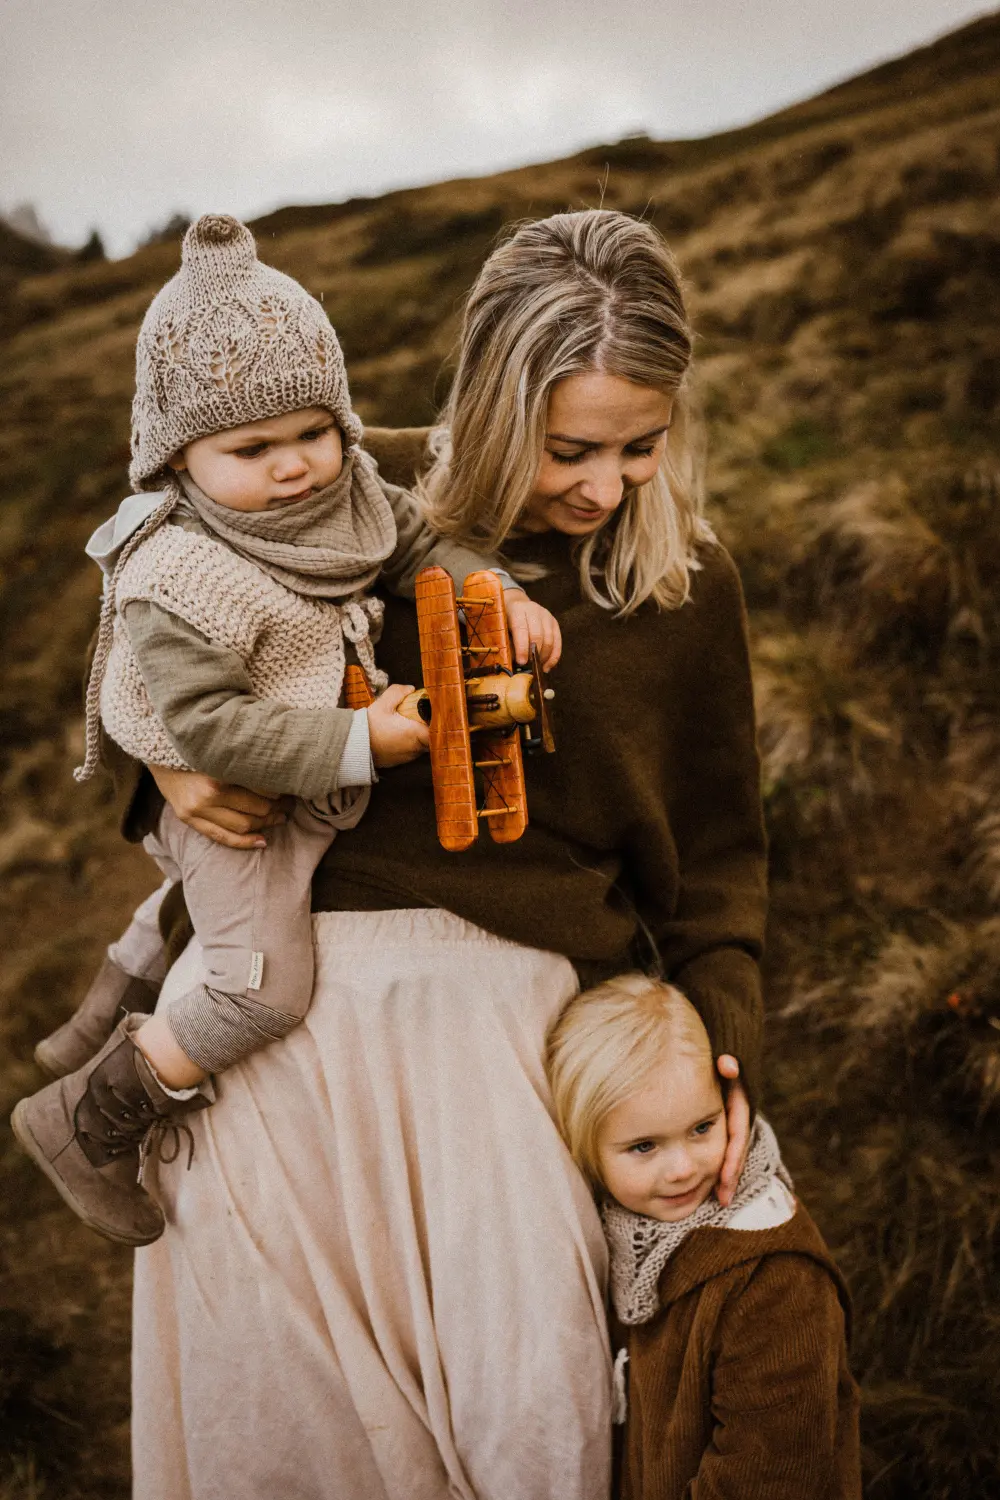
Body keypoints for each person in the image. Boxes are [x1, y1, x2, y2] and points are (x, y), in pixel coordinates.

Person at [74, 208, 768, 1500]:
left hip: (507, 1057)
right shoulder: (332, 490)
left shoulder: (689, 584)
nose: (605, 487)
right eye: (569, 448)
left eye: (642, 448)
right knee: (278, 1444)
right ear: (490, 398)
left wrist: (722, 1048)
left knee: (530, 1435)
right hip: (268, 1056)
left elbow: (724, 859)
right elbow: (150, 611)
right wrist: (160, 761)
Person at [11, 213, 558, 1249]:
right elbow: (210, 730)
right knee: (260, 985)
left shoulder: (347, 490)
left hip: (289, 766)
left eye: (312, 431)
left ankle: (103, 1001)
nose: (297, 466)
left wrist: (492, 592)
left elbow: (414, 539)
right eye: (251, 448)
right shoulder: (178, 574)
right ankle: (87, 1117)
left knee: (212, 890)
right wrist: (362, 744)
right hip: (229, 780)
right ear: (176, 461)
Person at [547, 972, 862, 1500]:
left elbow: (769, 1472)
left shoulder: (772, 1280)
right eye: (644, 1146)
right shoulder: (635, 1243)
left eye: (701, 1128)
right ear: (589, 1152)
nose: (682, 1168)